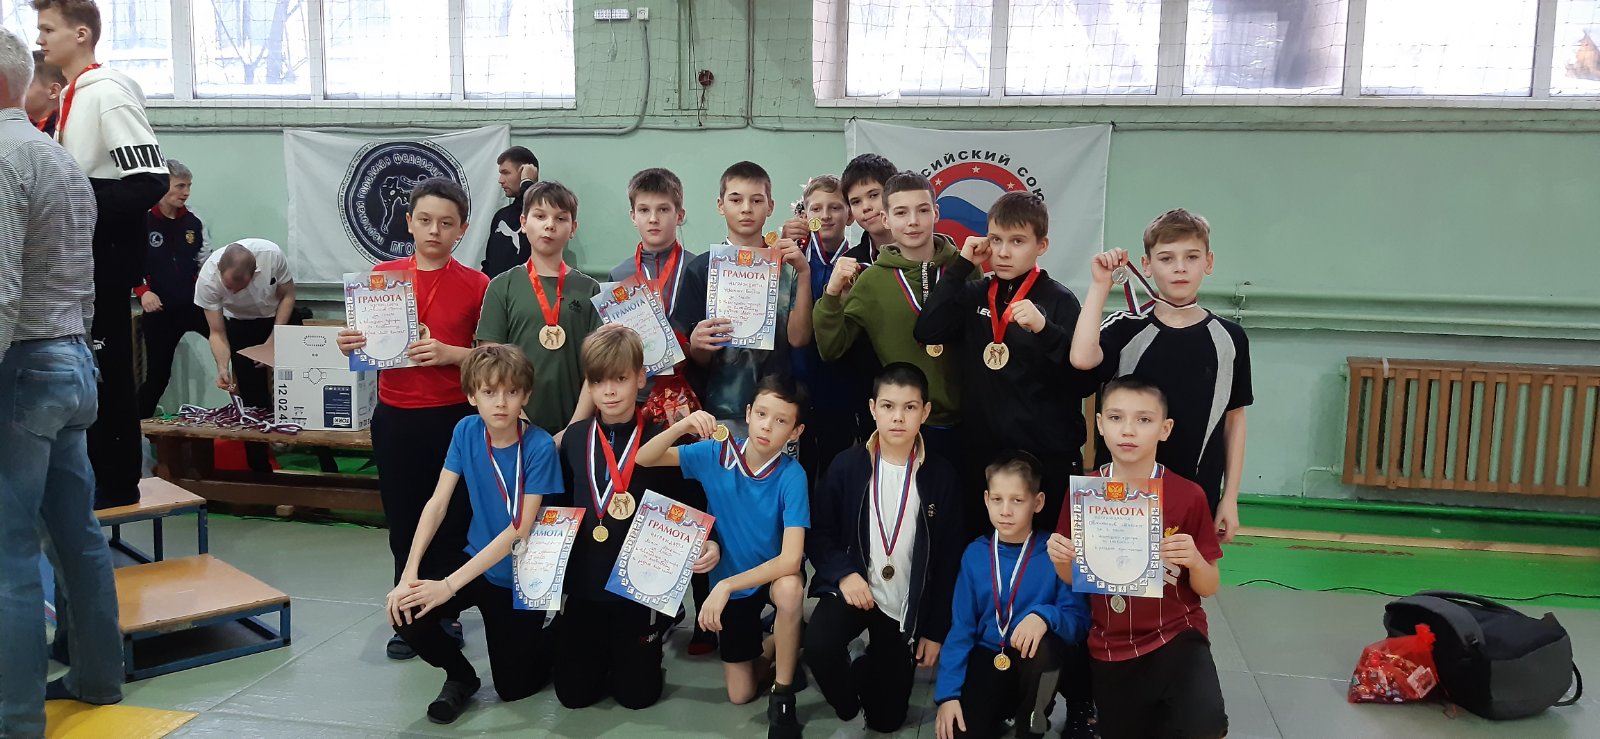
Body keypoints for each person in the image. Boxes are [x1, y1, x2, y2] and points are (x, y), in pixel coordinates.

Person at [0, 30, 122, 737]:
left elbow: (2, 287)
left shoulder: (4, 158)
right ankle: (99, 677)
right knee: (78, 535)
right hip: (74, 360)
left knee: (9, 549)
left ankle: (16, 717)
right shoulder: (59, 157)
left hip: (22, 366)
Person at [338, 177, 490, 661]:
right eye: (425, 220)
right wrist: (349, 342)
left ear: (462, 229)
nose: (434, 231)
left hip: (455, 417)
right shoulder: (381, 278)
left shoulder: (478, 285)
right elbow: (362, 341)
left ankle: (445, 610)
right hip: (396, 416)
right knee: (403, 518)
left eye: (446, 223)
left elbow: (491, 358)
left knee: (454, 518)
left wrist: (451, 354)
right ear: (408, 222)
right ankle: (407, 615)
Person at [36, 0, 169, 509]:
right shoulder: (71, 95)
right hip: (79, 260)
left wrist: (74, 198)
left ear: (82, 33)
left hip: (106, 260)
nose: (41, 39)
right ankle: (91, 476)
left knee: (109, 373)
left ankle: (116, 481)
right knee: (87, 370)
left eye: (48, 29)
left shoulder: (108, 93)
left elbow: (150, 180)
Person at [386, 345, 561, 724]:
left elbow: (519, 529)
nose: (501, 403)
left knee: (515, 687)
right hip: (475, 560)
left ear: (526, 395)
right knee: (406, 611)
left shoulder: (540, 446)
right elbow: (437, 503)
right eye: (489, 392)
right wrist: (408, 574)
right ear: (471, 396)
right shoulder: (466, 430)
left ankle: (563, 629)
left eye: (511, 392)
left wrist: (447, 587)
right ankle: (460, 676)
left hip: (520, 575)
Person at [1047, 377, 1228, 739]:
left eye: (1144, 420)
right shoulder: (1085, 494)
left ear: (1165, 429)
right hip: (1110, 645)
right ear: (1100, 425)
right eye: (1116, 418)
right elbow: (1071, 577)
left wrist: (1195, 560)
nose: (1128, 430)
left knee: (1205, 726)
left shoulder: (1188, 495)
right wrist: (1060, 557)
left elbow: (1209, 586)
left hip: (1176, 634)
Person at [553, 324, 718, 710]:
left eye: (620, 379)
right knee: (574, 697)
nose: (609, 391)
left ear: (641, 377)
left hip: (638, 589)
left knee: (638, 697)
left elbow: (691, 504)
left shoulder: (661, 440)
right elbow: (557, 506)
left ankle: (643, 643)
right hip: (584, 588)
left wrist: (709, 543)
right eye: (598, 381)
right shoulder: (574, 438)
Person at [914, 192, 1096, 537]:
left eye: (1017, 241)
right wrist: (961, 266)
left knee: (1047, 552)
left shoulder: (1059, 301)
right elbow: (927, 330)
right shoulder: (975, 293)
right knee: (982, 548)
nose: (1004, 252)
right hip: (983, 455)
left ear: (1042, 245)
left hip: (1044, 456)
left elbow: (1083, 383)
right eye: (996, 240)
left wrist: (1045, 330)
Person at [637, 376, 810, 739]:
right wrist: (682, 425)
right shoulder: (715, 453)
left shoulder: (792, 476)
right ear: (747, 413)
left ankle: (783, 694)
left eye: (781, 421)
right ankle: (782, 643)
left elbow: (791, 560)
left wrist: (725, 586)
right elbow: (644, 458)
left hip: (770, 576)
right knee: (740, 694)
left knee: (790, 590)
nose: (767, 426)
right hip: (732, 582)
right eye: (761, 414)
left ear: (796, 432)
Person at [1068, 209, 1252, 542]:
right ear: (1147, 265)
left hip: (1197, 494)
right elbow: (1081, 359)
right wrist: (1099, 285)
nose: (1180, 267)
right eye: (1167, 258)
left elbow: (1234, 420)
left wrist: (1230, 498)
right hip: (1122, 498)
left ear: (1208, 262)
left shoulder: (1230, 338)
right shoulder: (1125, 328)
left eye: (1191, 257)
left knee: (1189, 575)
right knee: (1114, 576)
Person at [803, 362, 963, 733]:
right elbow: (820, 533)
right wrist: (844, 574)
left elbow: (948, 560)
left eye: (910, 407)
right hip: (855, 588)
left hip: (903, 601)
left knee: (887, 721)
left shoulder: (941, 476)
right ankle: (849, 704)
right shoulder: (847, 466)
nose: (898, 417)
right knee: (819, 646)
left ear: (925, 412)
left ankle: (867, 662)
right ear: (873, 408)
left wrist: (935, 630)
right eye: (888, 406)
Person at [813, 170, 969, 462]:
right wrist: (831, 294)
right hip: (904, 426)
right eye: (901, 212)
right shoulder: (871, 281)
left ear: (936, 213)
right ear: (885, 219)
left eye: (922, 210)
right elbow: (831, 348)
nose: (913, 221)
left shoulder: (966, 268)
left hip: (969, 422)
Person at [934, 452, 1090, 739]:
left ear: (1037, 502)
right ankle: (993, 714)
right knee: (958, 731)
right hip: (988, 656)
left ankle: (1032, 722)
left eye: (1017, 500)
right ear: (986, 499)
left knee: (1044, 651)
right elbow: (961, 630)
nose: (1005, 511)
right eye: (997, 499)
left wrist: (1044, 616)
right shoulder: (974, 554)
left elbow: (1078, 622)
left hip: (1033, 663)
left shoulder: (1055, 552)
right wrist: (948, 695)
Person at [673, 161, 812, 436]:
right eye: (736, 200)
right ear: (720, 205)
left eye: (757, 200)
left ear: (770, 206)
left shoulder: (788, 266)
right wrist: (698, 345)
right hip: (719, 410)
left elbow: (799, 339)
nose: (746, 208)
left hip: (776, 409)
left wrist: (804, 272)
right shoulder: (701, 269)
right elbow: (693, 356)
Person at [476, 180, 601, 437]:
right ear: (523, 223)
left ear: (573, 228)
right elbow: (489, 362)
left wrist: (573, 430)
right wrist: (520, 423)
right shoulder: (502, 286)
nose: (550, 225)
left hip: (577, 427)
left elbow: (597, 368)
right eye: (540, 216)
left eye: (560, 218)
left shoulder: (589, 289)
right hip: (514, 427)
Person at [780, 174, 872, 484]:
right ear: (804, 214)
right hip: (797, 384)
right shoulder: (792, 259)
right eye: (816, 209)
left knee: (837, 473)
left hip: (845, 388)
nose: (826, 215)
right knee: (796, 474)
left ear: (850, 215)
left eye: (835, 207)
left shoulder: (862, 264)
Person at [137, 158, 207, 418]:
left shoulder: (195, 221)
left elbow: (206, 262)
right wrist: (143, 292)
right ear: (163, 187)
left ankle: (250, 413)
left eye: (189, 186)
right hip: (160, 310)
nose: (186, 192)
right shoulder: (141, 221)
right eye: (180, 186)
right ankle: (136, 429)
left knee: (234, 347)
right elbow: (129, 263)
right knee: (158, 377)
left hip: (194, 305)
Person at [193, 239, 295, 406]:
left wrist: (273, 341)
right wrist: (222, 368)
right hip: (241, 322)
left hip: (279, 316)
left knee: (294, 386)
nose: (233, 292)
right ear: (219, 270)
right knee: (252, 396)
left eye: (240, 287)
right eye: (229, 287)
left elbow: (288, 296)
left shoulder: (272, 255)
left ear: (254, 273)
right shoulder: (207, 280)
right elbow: (217, 332)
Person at [481, 146, 538, 277]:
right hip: (497, 288)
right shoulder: (501, 216)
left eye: (506, 173)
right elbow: (489, 263)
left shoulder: (541, 215)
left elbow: (532, 209)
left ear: (524, 172)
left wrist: (527, 183)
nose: (500, 180)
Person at [839, 153, 898, 266]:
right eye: (856, 202)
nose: (866, 207)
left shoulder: (927, 250)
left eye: (873, 195)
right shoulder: (850, 263)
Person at [21, 50, 59, 135]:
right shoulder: (18, 125)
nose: (17, 91)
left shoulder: (64, 132)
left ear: (53, 91)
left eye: (25, 84)